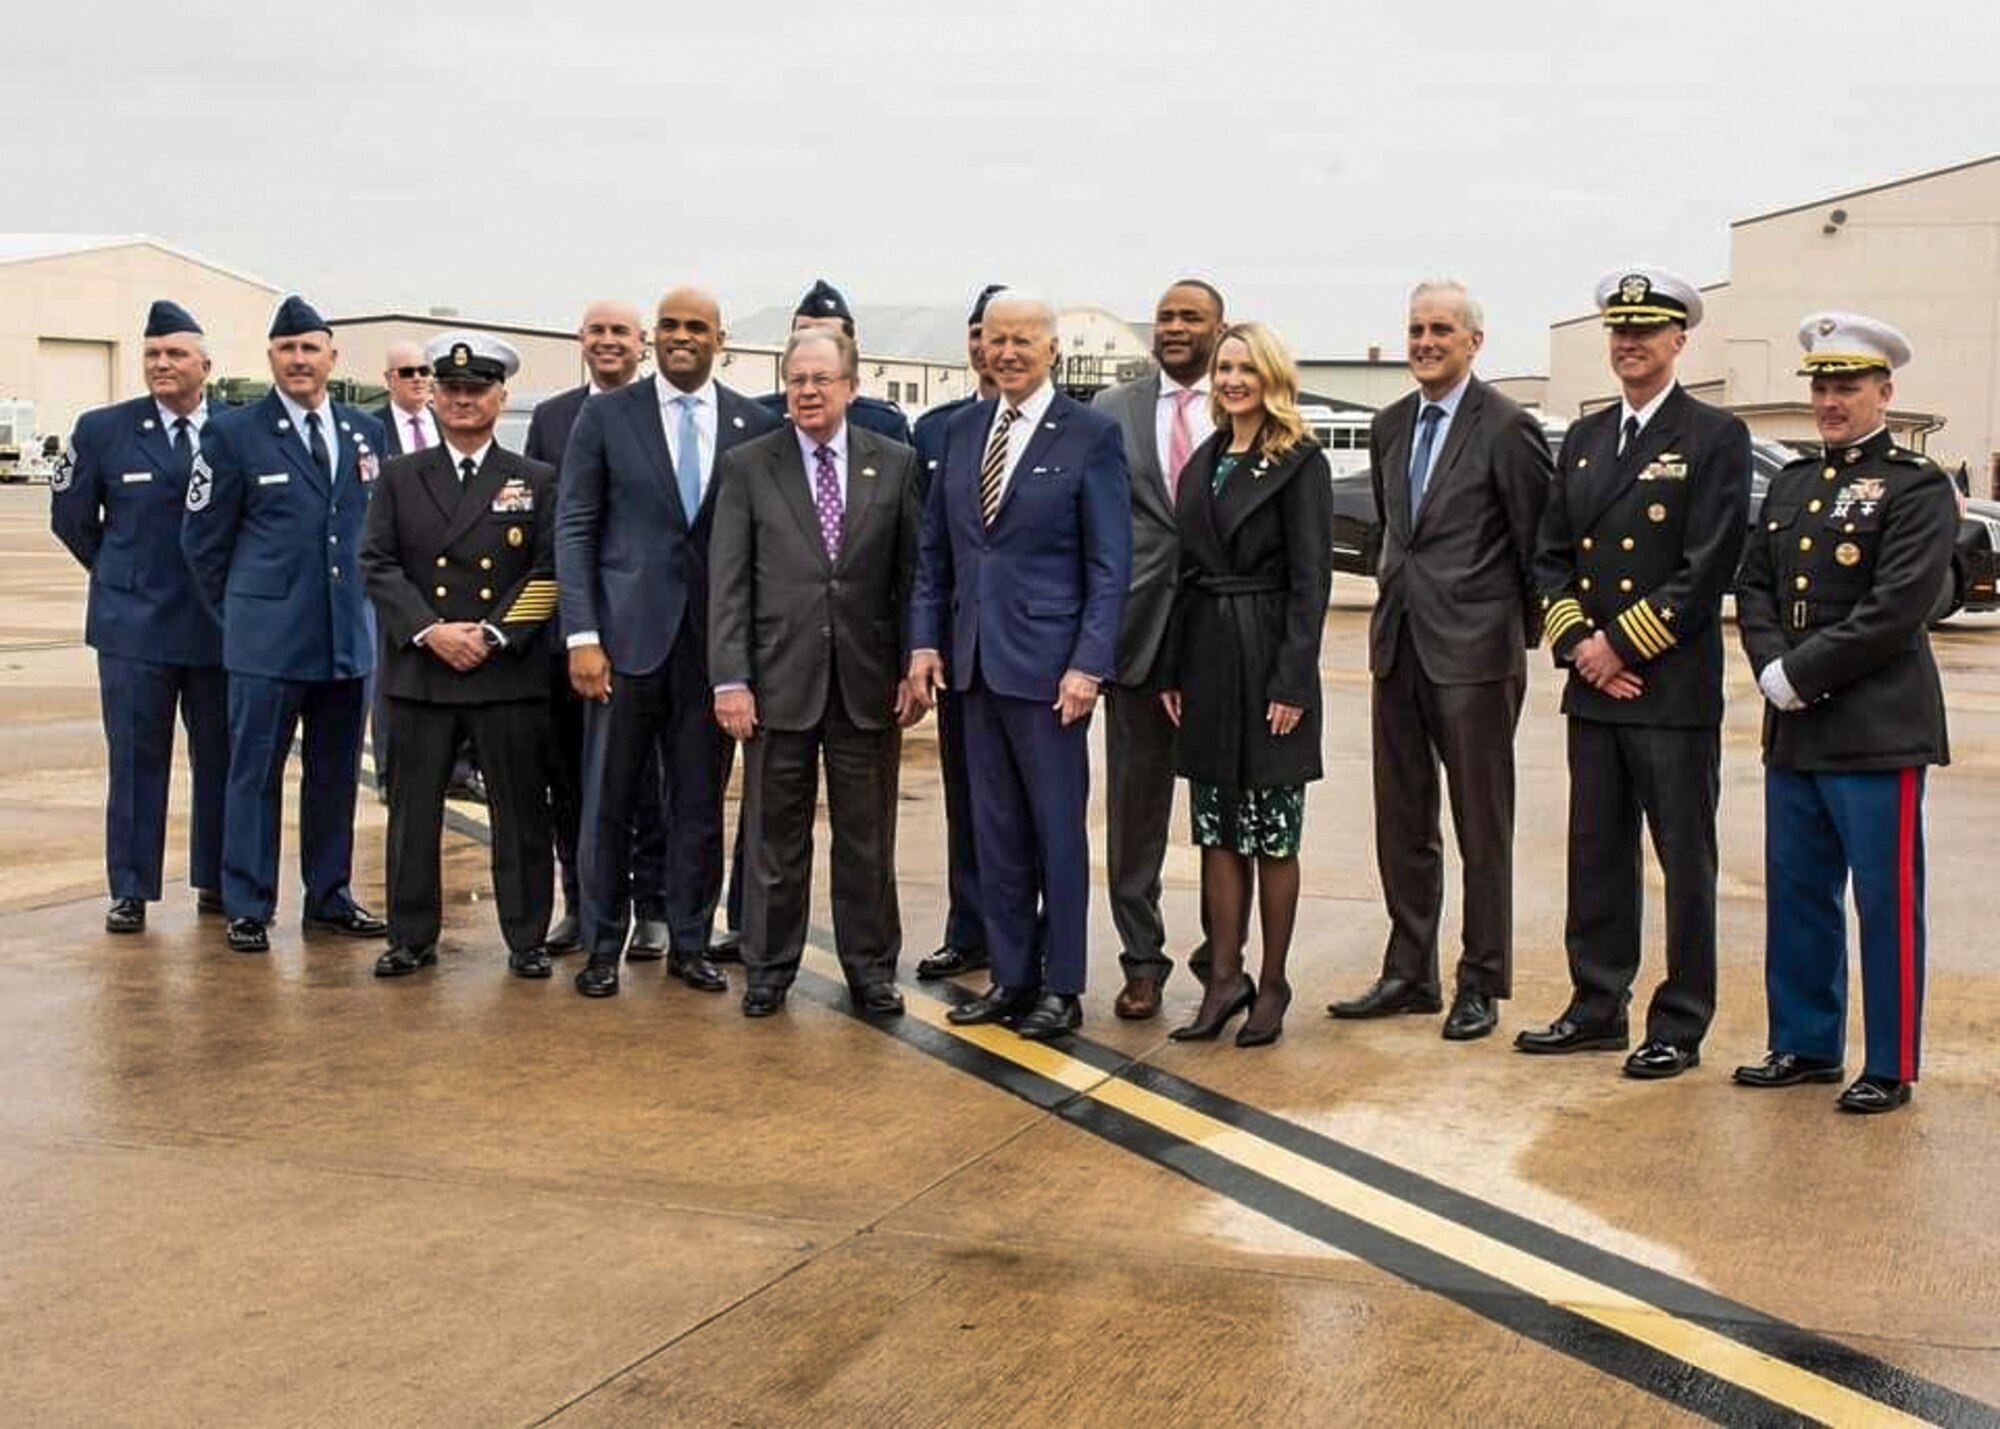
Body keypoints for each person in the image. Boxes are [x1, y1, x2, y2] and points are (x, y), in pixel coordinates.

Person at [1517, 268, 1750, 1078]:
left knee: (1684, 863)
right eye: (1619, 329)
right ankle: (1596, 1003)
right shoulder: (1582, 440)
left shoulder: (1715, 436)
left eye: (1647, 330)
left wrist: (1622, 644)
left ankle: (1680, 1022)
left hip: (1670, 690)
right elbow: (1549, 557)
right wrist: (1582, 643)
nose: (1629, 343)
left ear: (1680, 340)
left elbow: (1707, 563)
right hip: (1596, 690)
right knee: (1595, 854)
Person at [1732, 314, 1956, 1115]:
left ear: (1885, 393)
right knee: (1797, 892)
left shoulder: (1918, 487)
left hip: (1876, 728)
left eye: (1847, 387)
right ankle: (1805, 1041)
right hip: (1794, 725)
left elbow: (1899, 608)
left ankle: (1890, 1061)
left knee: (1885, 900)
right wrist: (1770, 666)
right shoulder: (1793, 483)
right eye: (1822, 387)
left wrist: (1802, 672)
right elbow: (1753, 582)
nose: (1830, 401)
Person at [1329, 280, 1552, 1041]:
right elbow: (1399, 533)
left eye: (1440, 330)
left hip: (1476, 657)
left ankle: (1480, 979)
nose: (1424, 341)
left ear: (1473, 342)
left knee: (1479, 825)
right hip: (1400, 646)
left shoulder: (1507, 427)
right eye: (1416, 328)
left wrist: (1505, 640)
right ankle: (1409, 971)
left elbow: (1535, 547)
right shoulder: (1391, 425)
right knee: (1403, 820)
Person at [908, 291, 1130, 1041]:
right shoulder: (963, 430)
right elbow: (935, 555)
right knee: (993, 831)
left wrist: (1088, 665)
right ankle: (1010, 976)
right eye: (995, 340)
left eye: (1022, 342)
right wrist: (925, 641)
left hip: (1050, 674)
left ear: (1051, 350)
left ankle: (1061, 985)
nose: (1006, 353)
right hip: (971, 667)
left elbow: (1109, 566)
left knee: (1055, 833)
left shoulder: (1090, 436)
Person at [556, 286, 781, 998]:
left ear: (722, 338)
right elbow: (576, 526)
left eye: (697, 327)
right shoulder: (607, 414)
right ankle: (602, 943)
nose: (682, 336)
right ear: (654, 338)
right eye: (671, 326)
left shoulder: (751, 423)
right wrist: (583, 634)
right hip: (623, 643)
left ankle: (690, 940)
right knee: (609, 800)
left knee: (697, 803)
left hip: (710, 648)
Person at [709, 327, 924, 1017]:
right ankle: (768, 966)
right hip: (776, 682)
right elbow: (729, 581)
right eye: (796, 379)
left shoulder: (893, 462)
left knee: (867, 838)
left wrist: (912, 662)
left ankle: (871, 968)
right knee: (775, 836)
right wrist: (730, 678)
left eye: (821, 379)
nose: (806, 390)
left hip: (866, 683)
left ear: (851, 388)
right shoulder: (748, 465)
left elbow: (912, 577)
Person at [181, 295, 389, 953]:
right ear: (270, 356)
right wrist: (244, 611)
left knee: (334, 775)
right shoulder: (234, 434)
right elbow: (202, 542)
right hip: (267, 642)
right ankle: (247, 901)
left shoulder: (365, 430)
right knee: (254, 773)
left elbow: (373, 529)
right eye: (286, 348)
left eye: (310, 347)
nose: (299, 359)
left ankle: (329, 895)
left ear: (333, 354)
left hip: (345, 639)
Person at [360, 333, 559, 980]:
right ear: (434, 396)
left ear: (501, 397)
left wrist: (495, 634)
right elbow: (378, 564)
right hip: (423, 672)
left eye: (477, 390)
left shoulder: (534, 481)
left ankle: (527, 936)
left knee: (521, 814)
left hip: (506, 674)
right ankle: (410, 936)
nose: (463, 400)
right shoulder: (398, 476)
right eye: (451, 389)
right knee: (413, 815)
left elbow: (549, 573)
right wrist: (430, 629)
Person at [1159, 323, 1333, 1047]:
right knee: (1216, 830)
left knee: (1271, 832)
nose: (1233, 381)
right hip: (1206, 659)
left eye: (1246, 369)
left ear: (1271, 377)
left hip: (1268, 659)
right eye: (1224, 368)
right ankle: (1223, 977)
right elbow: (1184, 573)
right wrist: (1171, 666)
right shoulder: (1203, 461)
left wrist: (1292, 678)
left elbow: (1310, 579)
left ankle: (1274, 978)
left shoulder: (1298, 462)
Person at [50, 299, 227, 933]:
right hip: (134, 629)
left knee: (222, 759)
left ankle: (217, 880)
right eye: (152, 353)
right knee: (134, 761)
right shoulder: (102, 429)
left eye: (175, 354)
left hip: (220, 628)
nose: (161, 364)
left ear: (205, 364)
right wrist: (119, 573)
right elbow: (71, 519)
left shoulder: (239, 429)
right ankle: (130, 888)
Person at [1091, 278, 1229, 1019]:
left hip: (1221, 642)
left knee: (1221, 815)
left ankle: (1220, 956)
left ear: (1220, 327)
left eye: (1191, 317)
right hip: (1136, 640)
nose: (1174, 327)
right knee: (1135, 817)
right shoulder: (1111, 411)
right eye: (1166, 316)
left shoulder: (1243, 401)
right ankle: (1141, 960)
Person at [521, 299, 668, 958]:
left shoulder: (662, 412)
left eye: (620, 333)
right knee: (573, 782)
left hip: (645, 629)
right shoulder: (553, 418)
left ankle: (653, 907)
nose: (608, 342)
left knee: (646, 782)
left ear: (643, 344)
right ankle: (582, 905)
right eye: (597, 331)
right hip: (571, 630)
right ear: (580, 339)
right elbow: (544, 529)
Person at [911, 282, 1004, 983]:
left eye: (1002, 334)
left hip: (1030, 653)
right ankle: (966, 927)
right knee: (966, 798)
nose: (988, 346)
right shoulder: (936, 431)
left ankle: (1019, 937)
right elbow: (926, 549)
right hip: (958, 649)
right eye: (978, 331)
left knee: (1027, 808)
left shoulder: (1068, 426)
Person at [372, 341, 477, 804]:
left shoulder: (448, 425)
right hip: (397, 575)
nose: (417, 379)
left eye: (423, 372)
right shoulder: (370, 431)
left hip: (454, 575)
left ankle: (458, 769)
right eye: (407, 372)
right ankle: (391, 772)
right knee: (393, 678)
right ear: (389, 379)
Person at [756, 279, 912, 444]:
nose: (814, 346)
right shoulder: (760, 419)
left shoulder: (882, 424)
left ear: (852, 348)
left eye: (826, 337)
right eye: (804, 336)